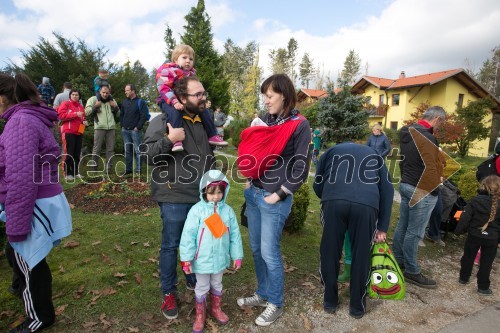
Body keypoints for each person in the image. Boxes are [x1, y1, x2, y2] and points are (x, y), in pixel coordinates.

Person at [236, 74, 311, 327]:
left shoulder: (299, 124)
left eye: (270, 96)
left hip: (273, 199)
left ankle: (276, 303)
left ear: (284, 96)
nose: (266, 101)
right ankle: (263, 293)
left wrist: (278, 195)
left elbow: (301, 167)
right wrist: (249, 180)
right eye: (264, 96)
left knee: (269, 252)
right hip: (255, 192)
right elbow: (255, 153)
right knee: (257, 249)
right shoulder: (267, 120)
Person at [0, 73, 72, 332]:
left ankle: (40, 316)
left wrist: (17, 225)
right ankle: (20, 286)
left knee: (29, 258)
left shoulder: (20, 122)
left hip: (33, 199)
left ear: (4, 97)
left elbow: (21, 178)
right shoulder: (27, 118)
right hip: (39, 196)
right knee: (16, 253)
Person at [142, 75, 215, 320]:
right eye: (198, 95)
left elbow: (209, 155)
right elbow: (147, 155)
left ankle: (190, 275)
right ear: (182, 98)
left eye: (204, 93)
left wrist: (213, 184)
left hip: (202, 196)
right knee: (171, 245)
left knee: (198, 241)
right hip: (173, 194)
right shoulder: (164, 120)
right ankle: (168, 292)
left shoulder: (204, 121)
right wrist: (169, 139)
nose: (203, 98)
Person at [313, 141, 393, 319]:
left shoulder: (332, 150)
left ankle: (330, 301)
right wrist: (382, 227)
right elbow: (387, 190)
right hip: (366, 205)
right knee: (362, 255)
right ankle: (357, 307)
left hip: (334, 201)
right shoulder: (375, 154)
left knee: (329, 251)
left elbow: (317, 181)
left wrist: (327, 195)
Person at [179, 170, 243, 332]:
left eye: (219, 192)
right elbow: (188, 236)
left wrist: (237, 256)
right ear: (204, 191)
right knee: (201, 286)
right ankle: (200, 315)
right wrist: (186, 259)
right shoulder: (197, 211)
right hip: (201, 260)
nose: (216, 196)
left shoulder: (228, 211)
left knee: (217, 284)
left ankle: (215, 308)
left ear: (224, 191)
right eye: (211, 193)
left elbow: (235, 235)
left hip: (221, 259)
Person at [393, 106, 446, 289]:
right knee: (415, 232)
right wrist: (436, 190)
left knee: (404, 226)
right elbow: (430, 167)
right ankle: (412, 271)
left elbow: (403, 160)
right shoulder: (427, 137)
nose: (440, 127)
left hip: (406, 184)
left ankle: (399, 261)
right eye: (442, 123)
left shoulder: (408, 133)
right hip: (421, 188)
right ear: (437, 118)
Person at [156, 44, 227, 152]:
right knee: (175, 111)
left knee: (204, 111)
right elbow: (163, 88)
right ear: (175, 59)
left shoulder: (191, 74)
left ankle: (212, 135)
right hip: (167, 100)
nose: (188, 61)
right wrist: (174, 102)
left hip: (183, 100)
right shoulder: (168, 70)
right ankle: (176, 139)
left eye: (191, 59)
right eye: (184, 57)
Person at [455, 175, 499, 295]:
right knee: (486, 263)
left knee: (468, 257)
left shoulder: (475, 200)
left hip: (474, 235)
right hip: (492, 238)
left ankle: (463, 278)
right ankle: (483, 287)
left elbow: (465, 218)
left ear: (484, 186)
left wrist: (459, 231)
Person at [85, 85, 119, 174]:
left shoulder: (112, 100)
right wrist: (95, 107)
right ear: (100, 91)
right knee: (97, 148)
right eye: (103, 92)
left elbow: (118, 114)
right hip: (99, 127)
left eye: (107, 93)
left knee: (110, 149)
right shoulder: (93, 99)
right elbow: (86, 112)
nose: (105, 94)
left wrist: (115, 107)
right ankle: (94, 168)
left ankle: (109, 168)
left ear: (109, 92)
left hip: (111, 128)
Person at [58, 89, 88, 180]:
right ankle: (67, 173)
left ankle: (76, 172)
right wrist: (75, 114)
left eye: (77, 95)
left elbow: (83, 118)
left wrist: (85, 121)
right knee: (69, 153)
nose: (75, 96)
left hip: (79, 132)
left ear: (79, 97)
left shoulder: (81, 107)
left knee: (77, 153)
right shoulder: (66, 104)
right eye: (73, 94)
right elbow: (61, 116)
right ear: (70, 96)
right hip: (68, 132)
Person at [120, 84, 148, 175]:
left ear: (133, 91)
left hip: (135, 131)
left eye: (127, 90)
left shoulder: (141, 102)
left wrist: (138, 127)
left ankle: (138, 170)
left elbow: (143, 116)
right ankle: (128, 169)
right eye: (125, 91)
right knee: (127, 150)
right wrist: (122, 126)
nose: (125, 92)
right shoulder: (124, 102)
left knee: (138, 150)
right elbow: (122, 114)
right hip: (125, 130)